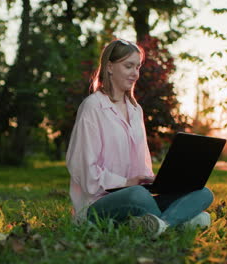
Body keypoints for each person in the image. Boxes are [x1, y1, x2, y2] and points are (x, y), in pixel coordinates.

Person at [66, 39, 214, 238]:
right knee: (138, 195)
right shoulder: (93, 107)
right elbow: (85, 172)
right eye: (128, 66)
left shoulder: (136, 110)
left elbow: (142, 165)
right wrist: (128, 182)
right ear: (109, 67)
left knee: (202, 192)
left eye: (137, 67)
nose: (135, 73)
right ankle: (179, 220)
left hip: (136, 196)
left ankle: (159, 224)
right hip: (96, 205)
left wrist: (154, 181)